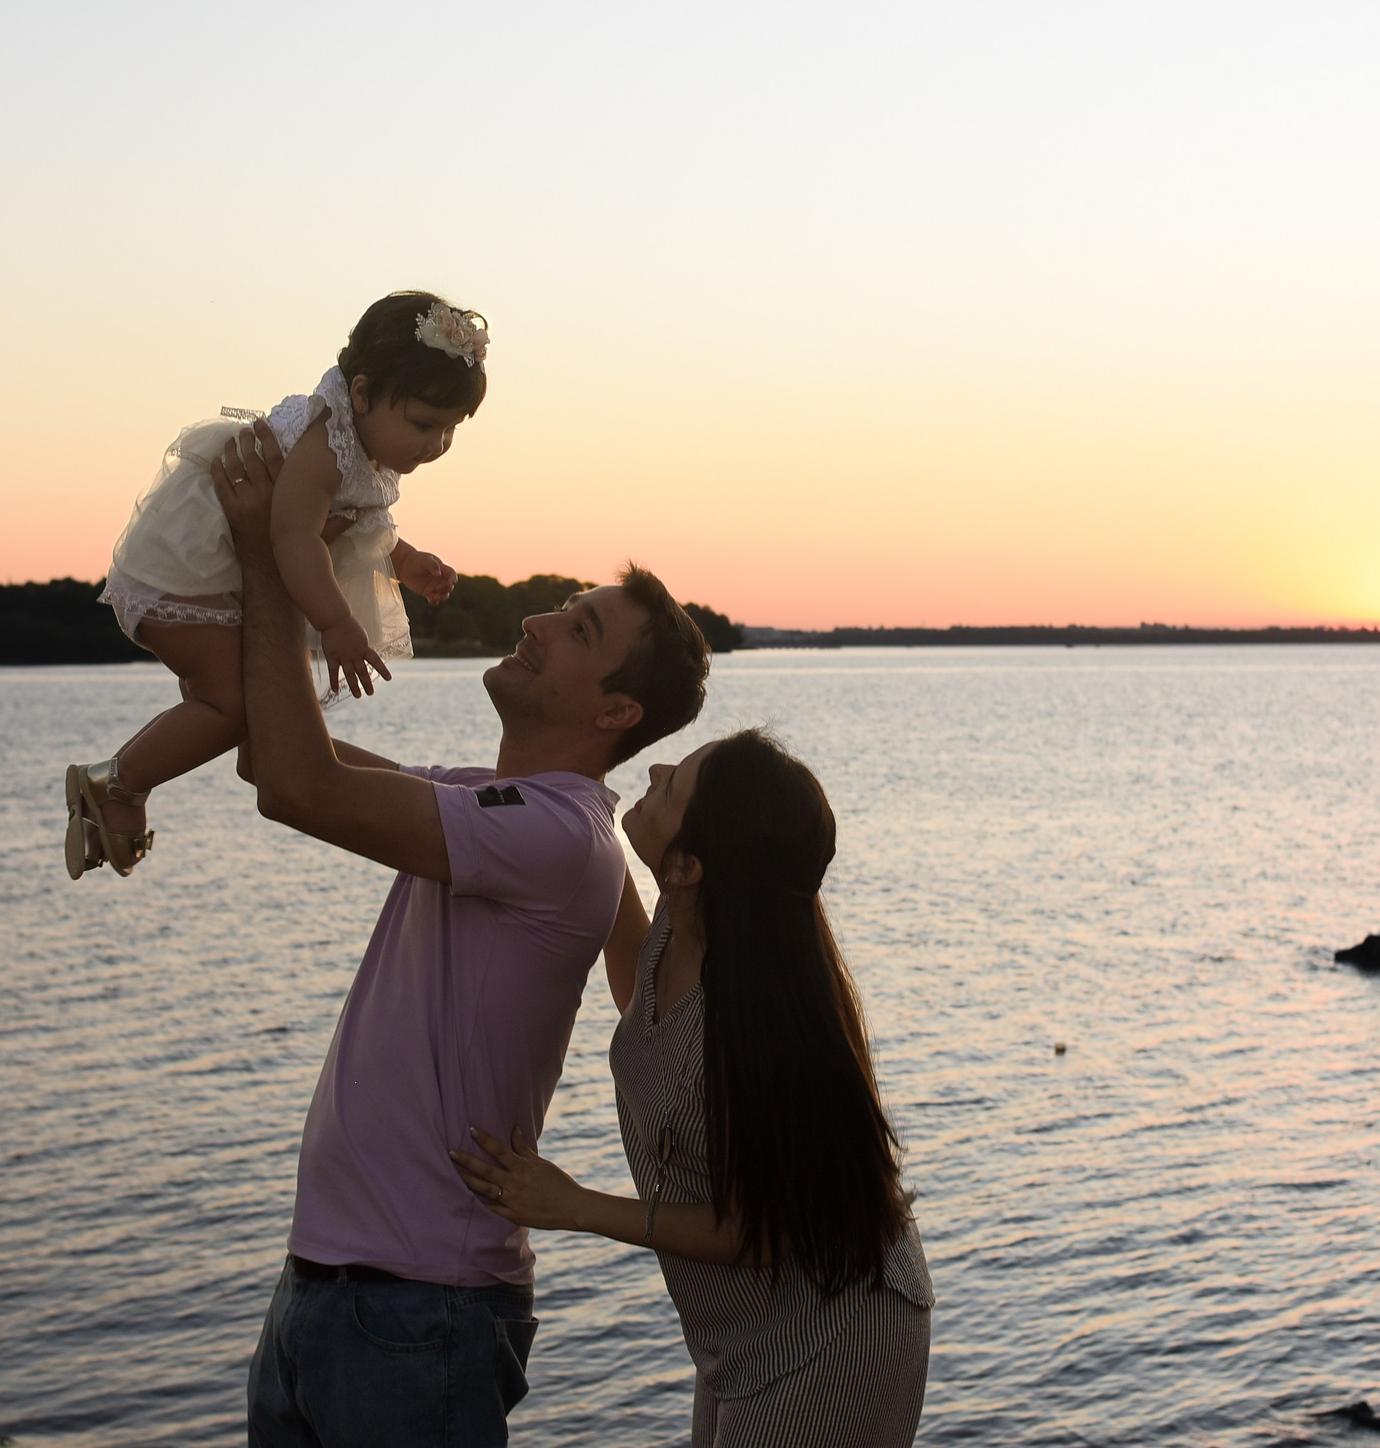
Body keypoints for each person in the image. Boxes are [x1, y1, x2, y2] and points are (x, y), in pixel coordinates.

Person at [205, 418, 714, 1448]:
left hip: (416, 1309)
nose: (534, 619)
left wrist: (274, 558)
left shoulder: (554, 833)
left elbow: (299, 785)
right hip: (332, 1289)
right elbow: (277, 756)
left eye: (574, 628)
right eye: (563, 608)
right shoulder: (486, 802)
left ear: (615, 708)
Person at [452, 730, 934, 1448]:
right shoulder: (682, 930)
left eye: (673, 782)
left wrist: (575, 1204)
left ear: (688, 866)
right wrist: (580, 808)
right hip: (744, 1332)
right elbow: (644, 1010)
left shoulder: (751, 1023)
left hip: (837, 1330)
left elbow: (766, 1228)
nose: (655, 767)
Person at [60, 290, 487, 880]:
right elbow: (292, 539)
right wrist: (337, 624)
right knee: (232, 704)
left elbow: (361, 524)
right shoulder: (325, 444)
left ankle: (126, 786)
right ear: (360, 394)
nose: (434, 446)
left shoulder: (364, 447)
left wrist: (406, 561)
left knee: (256, 708)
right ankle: (115, 783)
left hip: (221, 583)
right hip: (186, 576)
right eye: (423, 424)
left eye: (450, 431)